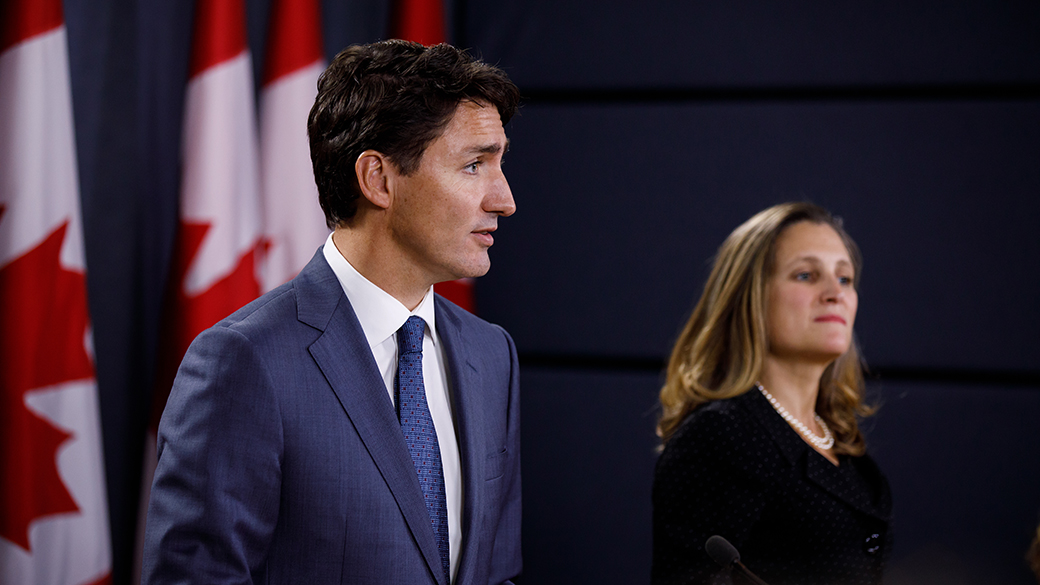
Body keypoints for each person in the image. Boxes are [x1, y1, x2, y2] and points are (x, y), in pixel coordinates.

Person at [142, 41, 521, 585]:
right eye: (473, 165)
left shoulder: (492, 353)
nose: (504, 198)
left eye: (499, 163)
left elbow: (497, 575)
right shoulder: (243, 361)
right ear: (379, 180)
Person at [651, 202, 892, 585]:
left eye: (845, 279)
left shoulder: (849, 452)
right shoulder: (720, 438)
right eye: (806, 275)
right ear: (749, 296)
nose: (835, 293)